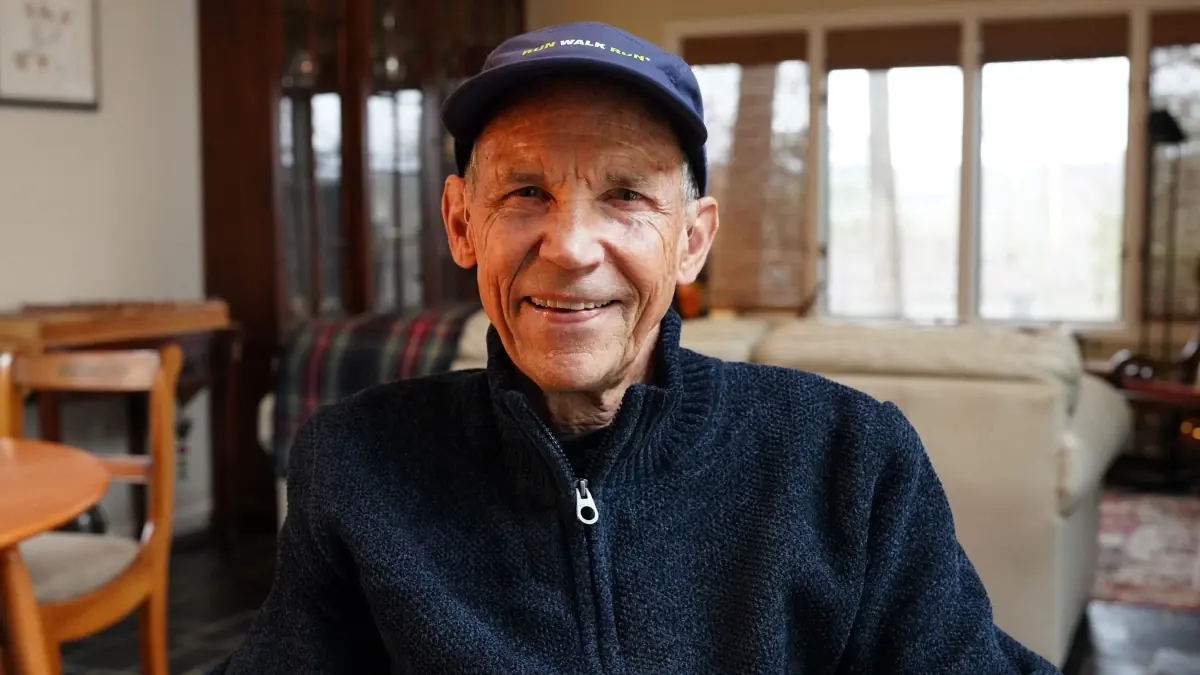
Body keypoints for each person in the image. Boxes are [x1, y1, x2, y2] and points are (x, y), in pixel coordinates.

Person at [210, 21, 1060, 675]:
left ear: (691, 240)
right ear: (462, 223)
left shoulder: (848, 458)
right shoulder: (355, 463)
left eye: (625, 196)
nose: (571, 246)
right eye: (526, 191)